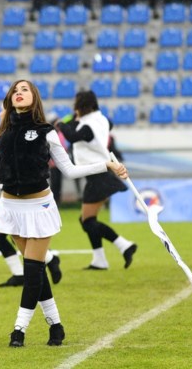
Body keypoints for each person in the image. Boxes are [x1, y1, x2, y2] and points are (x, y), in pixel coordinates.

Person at [0, 80, 128, 347]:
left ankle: (19, 329)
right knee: (36, 272)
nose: (19, 93)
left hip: (39, 208)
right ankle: (56, 326)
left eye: (24, 90)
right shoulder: (3, 135)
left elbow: (70, 170)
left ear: (34, 97)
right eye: (15, 91)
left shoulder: (46, 132)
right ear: (10, 100)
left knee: (32, 271)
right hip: (11, 209)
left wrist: (106, 165)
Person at [56, 91, 137, 271]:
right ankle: (100, 260)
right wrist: (75, 119)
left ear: (81, 106)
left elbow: (73, 136)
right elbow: (106, 124)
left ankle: (124, 245)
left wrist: (61, 124)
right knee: (87, 220)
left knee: (87, 221)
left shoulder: (88, 126)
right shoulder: (101, 120)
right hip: (100, 175)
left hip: (99, 177)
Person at [0, 105, 62, 288]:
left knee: (4, 236)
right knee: (1, 236)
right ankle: (37, 266)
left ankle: (34, 268)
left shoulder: (24, 134)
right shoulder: (4, 134)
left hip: (21, 196)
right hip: (8, 195)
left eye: (2, 110)